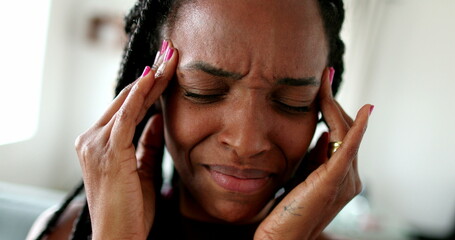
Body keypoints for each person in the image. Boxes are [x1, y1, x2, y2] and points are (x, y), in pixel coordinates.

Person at [28, 0, 374, 239]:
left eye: (292, 101)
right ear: (152, 94)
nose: (246, 142)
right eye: (204, 91)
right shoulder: (64, 233)